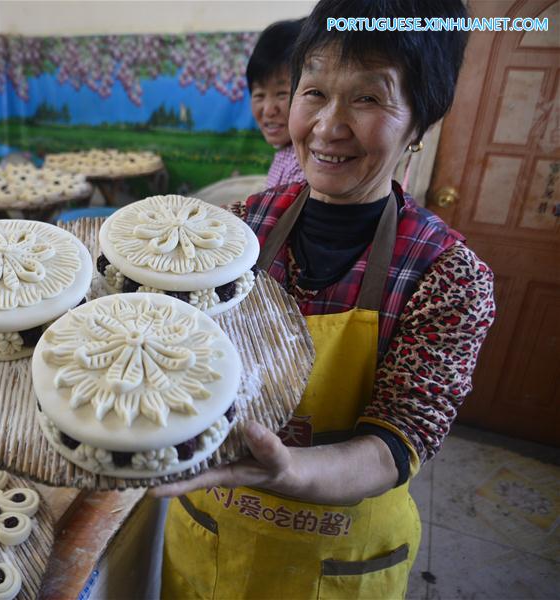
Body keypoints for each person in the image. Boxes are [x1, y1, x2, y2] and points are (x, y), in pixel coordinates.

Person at [157, 0, 496, 598]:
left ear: (420, 123)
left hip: (337, 560)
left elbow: (398, 442)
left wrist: (289, 469)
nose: (328, 126)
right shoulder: (233, 230)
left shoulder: (448, 276)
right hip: (207, 537)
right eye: (313, 92)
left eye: (368, 98)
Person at [247, 18, 306, 188]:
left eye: (281, 94)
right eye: (259, 95)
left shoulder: (304, 165)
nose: (268, 110)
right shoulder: (285, 154)